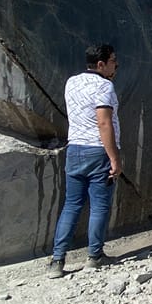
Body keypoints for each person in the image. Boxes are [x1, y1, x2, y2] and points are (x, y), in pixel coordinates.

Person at [47, 43, 123, 278]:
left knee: (71, 204)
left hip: (75, 150)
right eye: (113, 61)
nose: (116, 65)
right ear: (100, 64)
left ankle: (57, 261)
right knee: (99, 205)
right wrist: (114, 158)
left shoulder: (72, 82)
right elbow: (103, 123)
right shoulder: (104, 87)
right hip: (98, 151)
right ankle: (94, 257)